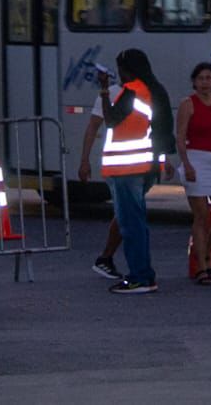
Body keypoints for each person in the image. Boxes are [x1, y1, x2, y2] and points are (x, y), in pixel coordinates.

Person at [99, 47, 174, 295]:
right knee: (136, 223)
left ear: (128, 69)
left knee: (131, 225)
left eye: (121, 69)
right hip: (145, 167)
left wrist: (103, 90)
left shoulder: (133, 91)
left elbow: (110, 119)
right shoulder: (155, 90)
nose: (119, 74)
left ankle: (140, 277)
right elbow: (162, 131)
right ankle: (144, 274)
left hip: (126, 168)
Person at [175, 61, 211, 284]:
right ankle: (202, 266)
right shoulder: (188, 104)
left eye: (209, 78)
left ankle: (204, 250)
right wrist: (187, 164)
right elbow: (180, 137)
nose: (205, 83)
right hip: (196, 159)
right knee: (201, 216)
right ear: (194, 82)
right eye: (201, 79)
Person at [77, 64, 123, 280]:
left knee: (127, 214)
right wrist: (84, 160)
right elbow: (92, 127)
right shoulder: (111, 93)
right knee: (126, 214)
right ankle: (106, 258)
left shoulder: (143, 93)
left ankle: (107, 258)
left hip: (137, 167)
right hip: (116, 165)